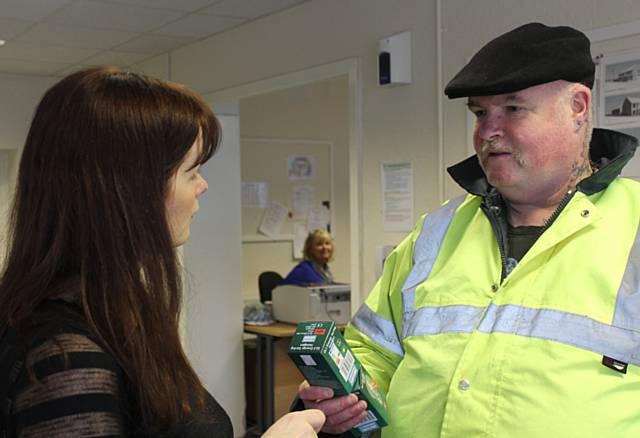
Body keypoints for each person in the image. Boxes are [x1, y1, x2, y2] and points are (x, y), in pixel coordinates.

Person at [298, 23, 640, 437]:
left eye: (513, 109)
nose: (488, 131)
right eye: (480, 113)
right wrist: (340, 394)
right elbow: (373, 352)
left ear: (578, 107)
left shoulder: (633, 226)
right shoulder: (437, 230)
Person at [0, 67, 325, 437]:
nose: (202, 186)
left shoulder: (111, 311)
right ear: (129, 191)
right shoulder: (65, 357)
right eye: (191, 171)